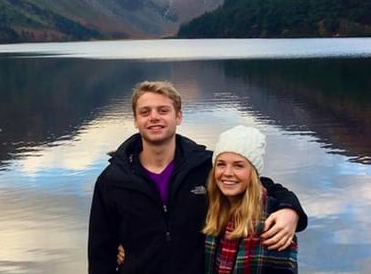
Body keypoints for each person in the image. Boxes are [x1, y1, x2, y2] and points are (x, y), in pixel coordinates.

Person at [88, 81, 307, 274]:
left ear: (179, 116)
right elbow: (100, 252)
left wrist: (291, 210)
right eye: (145, 112)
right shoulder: (113, 180)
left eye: (163, 110)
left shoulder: (205, 166)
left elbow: (261, 185)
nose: (154, 117)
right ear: (136, 120)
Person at [203, 125, 298, 273]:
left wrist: (292, 209)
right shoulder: (212, 211)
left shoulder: (274, 222)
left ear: (253, 173)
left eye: (238, 166)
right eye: (221, 164)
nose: (227, 173)